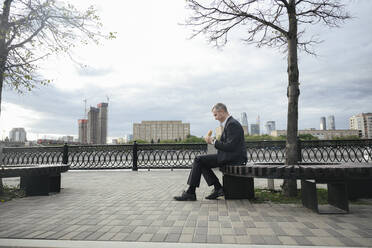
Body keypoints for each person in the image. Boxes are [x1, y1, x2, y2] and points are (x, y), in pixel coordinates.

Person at [174, 103, 247, 201]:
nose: (215, 118)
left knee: (198, 159)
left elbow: (230, 146)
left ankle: (191, 192)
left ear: (221, 112)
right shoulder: (229, 123)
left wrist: (213, 141)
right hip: (231, 156)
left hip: (234, 158)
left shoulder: (232, 124)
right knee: (201, 162)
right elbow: (228, 144)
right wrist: (214, 140)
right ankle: (217, 188)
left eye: (215, 115)